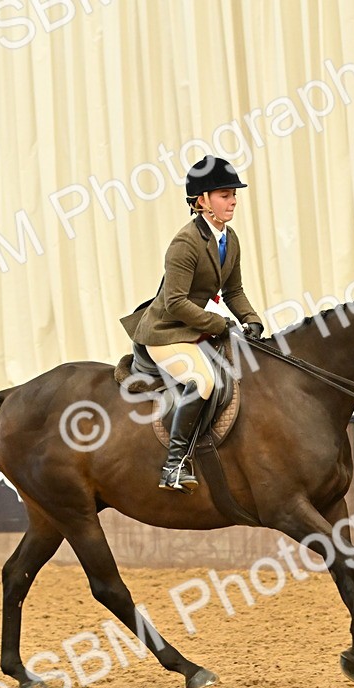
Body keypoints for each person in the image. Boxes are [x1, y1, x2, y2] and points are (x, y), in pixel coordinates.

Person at [120, 155, 265, 493]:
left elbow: (234, 290)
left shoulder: (230, 238)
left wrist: (251, 319)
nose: (233, 201)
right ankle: (174, 464)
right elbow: (175, 302)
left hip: (194, 328)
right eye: (225, 195)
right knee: (203, 381)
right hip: (165, 332)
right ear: (202, 201)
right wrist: (217, 323)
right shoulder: (185, 243)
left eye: (234, 195)